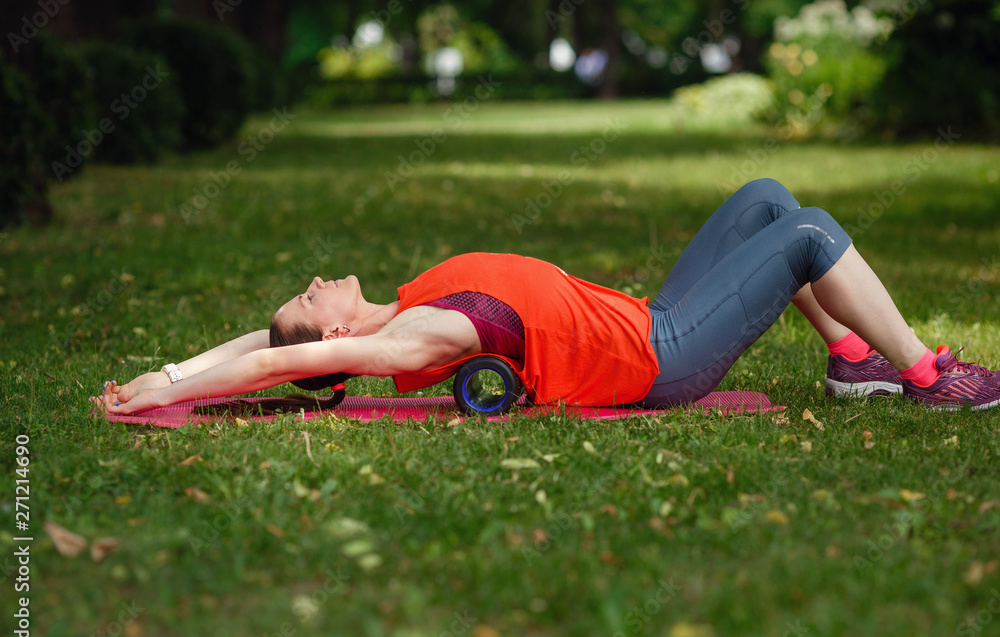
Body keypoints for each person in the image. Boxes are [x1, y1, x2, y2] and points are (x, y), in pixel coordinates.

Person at [93, 179, 1000, 415]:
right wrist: (163, 392)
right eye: (311, 294)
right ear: (334, 331)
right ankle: (926, 373)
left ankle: (851, 360)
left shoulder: (407, 297)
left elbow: (259, 334)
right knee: (808, 233)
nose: (318, 278)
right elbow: (277, 356)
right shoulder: (408, 340)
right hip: (662, 358)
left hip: (646, 316)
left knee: (767, 195)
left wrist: (163, 364)